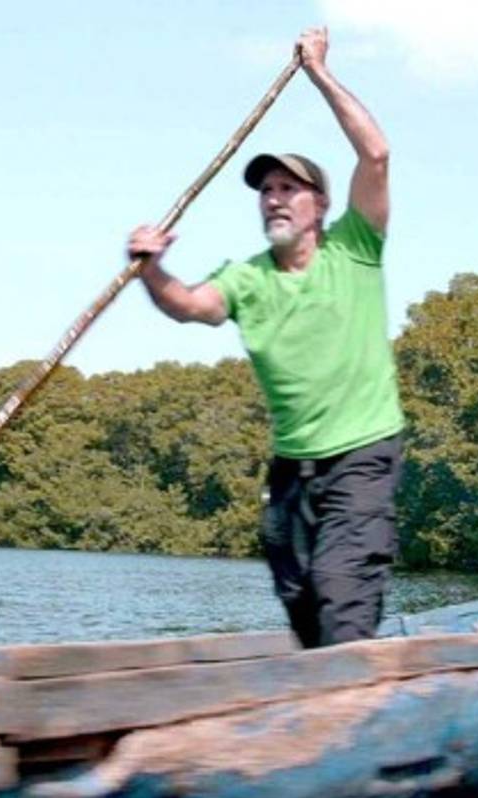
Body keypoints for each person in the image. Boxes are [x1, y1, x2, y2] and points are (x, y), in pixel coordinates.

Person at [126, 27, 404, 649]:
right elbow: (188, 306)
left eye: (289, 188)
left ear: (321, 204)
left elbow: (377, 155)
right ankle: (327, 700)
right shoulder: (246, 278)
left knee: (341, 587)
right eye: (267, 191)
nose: (274, 199)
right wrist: (149, 267)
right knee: (298, 597)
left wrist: (320, 74)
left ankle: (357, 717)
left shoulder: (355, 249)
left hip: (363, 453)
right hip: (291, 470)